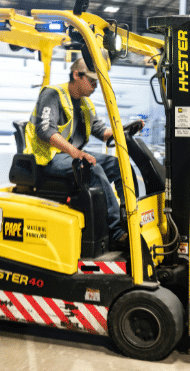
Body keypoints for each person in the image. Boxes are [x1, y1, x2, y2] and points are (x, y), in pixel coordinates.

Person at [24, 58, 127, 242]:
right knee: (92, 167)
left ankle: (129, 217)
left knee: (116, 165)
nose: (95, 86)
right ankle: (116, 232)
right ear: (76, 75)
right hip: (48, 159)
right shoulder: (53, 94)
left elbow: (102, 132)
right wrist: (75, 152)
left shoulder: (85, 104)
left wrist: (124, 132)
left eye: (97, 82)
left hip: (68, 158)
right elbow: (45, 130)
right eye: (92, 81)